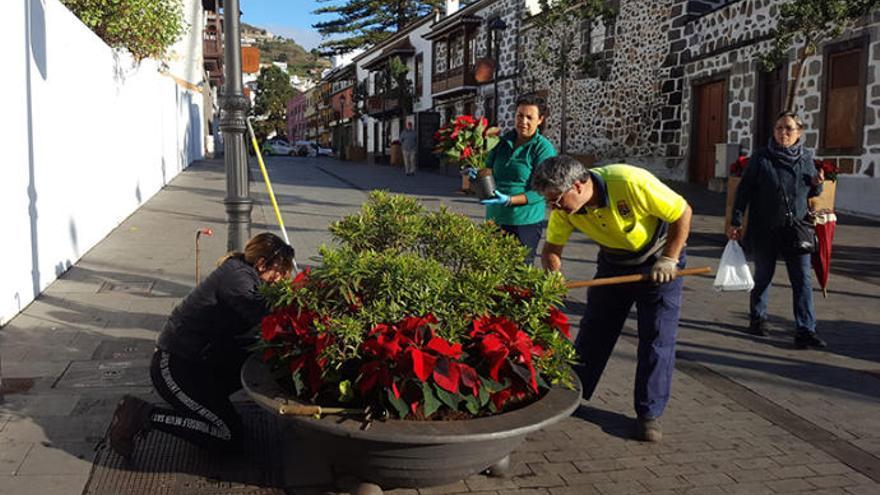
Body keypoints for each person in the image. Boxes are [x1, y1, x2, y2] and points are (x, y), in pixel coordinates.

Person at [531, 155, 693, 442]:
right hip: (613, 262)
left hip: (658, 258)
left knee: (657, 336)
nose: (552, 207)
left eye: (556, 200)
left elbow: (682, 212)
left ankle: (649, 414)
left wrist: (670, 258)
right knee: (595, 329)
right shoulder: (565, 210)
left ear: (579, 186)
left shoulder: (629, 181)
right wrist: (554, 275)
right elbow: (551, 250)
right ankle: (573, 395)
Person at [107, 232, 295, 458]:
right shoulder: (237, 279)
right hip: (176, 366)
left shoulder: (244, 273)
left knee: (266, 358)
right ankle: (140, 414)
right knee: (227, 436)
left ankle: (212, 411)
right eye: (280, 273)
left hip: (203, 362)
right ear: (262, 264)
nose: (282, 280)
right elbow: (264, 316)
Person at [728, 111, 825, 349]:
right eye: (779, 128)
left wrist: (818, 185)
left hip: (796, 229)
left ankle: (805, 329)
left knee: (802, 280)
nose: (784, 133)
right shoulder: (761, 158)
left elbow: (811, 192)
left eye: (789, 129)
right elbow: (745, 191)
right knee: (764, 275)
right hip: (765, 228)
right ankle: (758, 318)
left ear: (799, 133)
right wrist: (736, 221)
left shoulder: (806, 158)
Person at [475, 94, 557, 264]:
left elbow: (543, 190)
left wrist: (510, 200)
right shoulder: (501, 142)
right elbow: (488, 169)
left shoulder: (543, 149)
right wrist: (477, 176)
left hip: (524, 223)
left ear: (540, 120)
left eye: (529, 117)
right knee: (491, 272)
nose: (523, 121)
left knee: (517, 274)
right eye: (520, 115)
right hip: (495, 219)